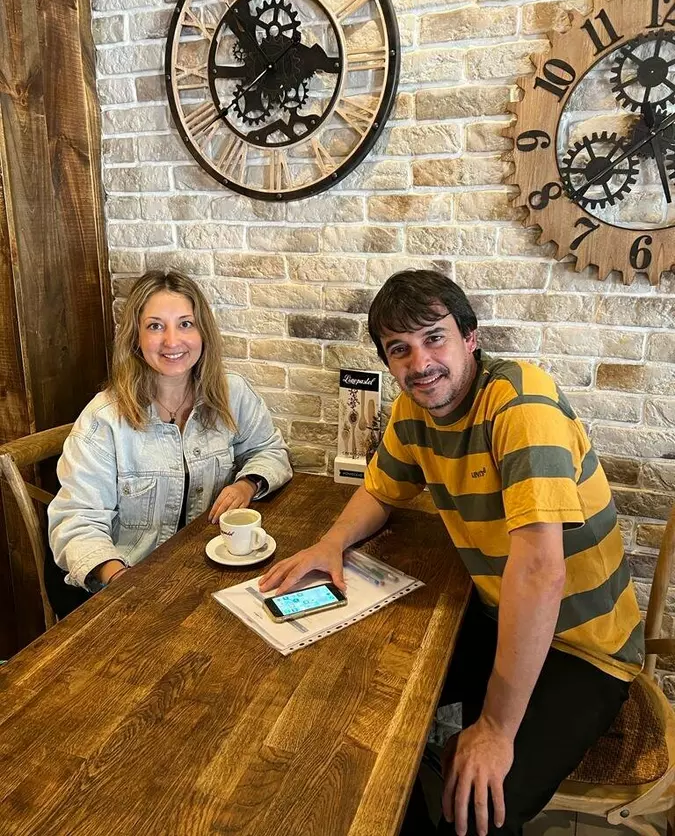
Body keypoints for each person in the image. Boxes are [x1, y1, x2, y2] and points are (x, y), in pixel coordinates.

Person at [259, 270, 644, 836]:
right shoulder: (412, 410)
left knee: (480, 811)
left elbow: (540, 573)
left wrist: (495, 729)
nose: (420, 363)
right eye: (400, 349)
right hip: (493, 615)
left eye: (434, 338)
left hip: (584, 647)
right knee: (365, 706)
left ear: (470, 337)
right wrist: (331, 543)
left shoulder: (520, 404)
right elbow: (380, 490)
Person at [48, 269, 292, 617]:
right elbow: (76, 521)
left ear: (203, 332)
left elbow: (269, 450)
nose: (172, 341)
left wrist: (247, 483)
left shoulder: (232, 393)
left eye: (185, 324)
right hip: (126, 587)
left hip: (206, 574)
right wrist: (121, 580)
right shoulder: (104, 419)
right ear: (136, 338)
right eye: (155, 326)